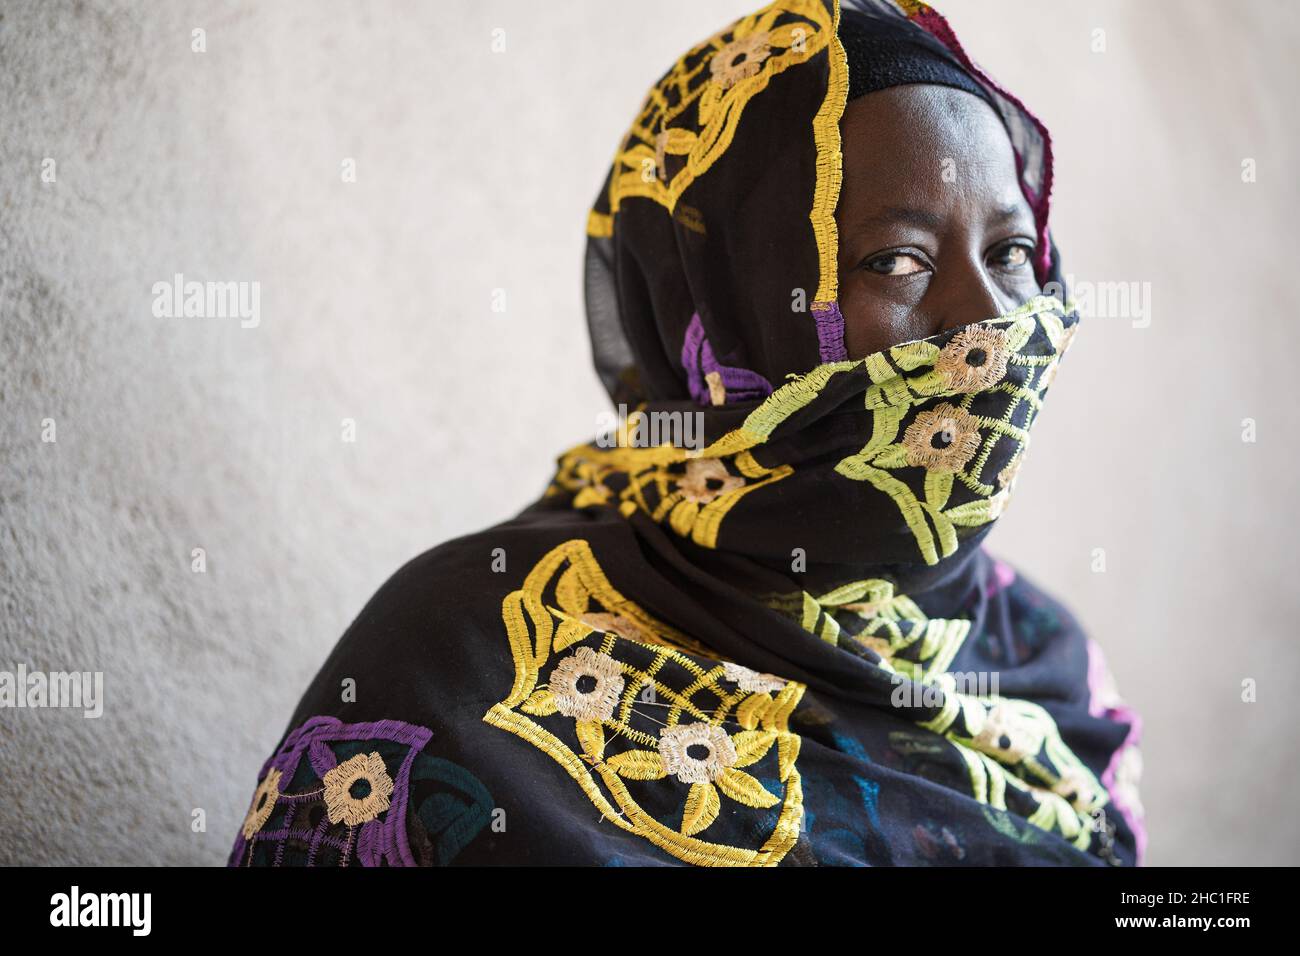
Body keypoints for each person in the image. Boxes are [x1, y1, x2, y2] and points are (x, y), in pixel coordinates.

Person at [229, 0, 1145, 867]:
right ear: (719, 309)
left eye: (1013, 254)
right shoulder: (458, 658)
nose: (985, 321)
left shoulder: (1045, 665)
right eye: (895, 260)